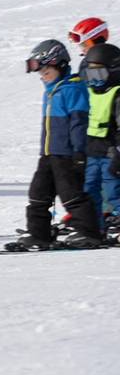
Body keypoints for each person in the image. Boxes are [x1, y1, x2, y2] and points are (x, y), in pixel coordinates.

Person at [7, 39, 103, 250]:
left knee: (72, 194)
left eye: (46, 70)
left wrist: (79, 152)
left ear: (59, 64)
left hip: (67, 155)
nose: (42, 75)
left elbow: (78, 123)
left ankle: (89, 232)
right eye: (40, 72)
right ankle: (39, 234)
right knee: (38, 194)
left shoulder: (72, 89)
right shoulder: (52, 90)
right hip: (49, 154)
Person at [81, 42, 118, 232]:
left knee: (113, 190)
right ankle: (95, 227)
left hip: (111, 151)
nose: (94, 80)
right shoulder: (91, 92)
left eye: (99, 74)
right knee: (89, 189)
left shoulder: (117, 94)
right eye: (91, 74)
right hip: (93, 150)